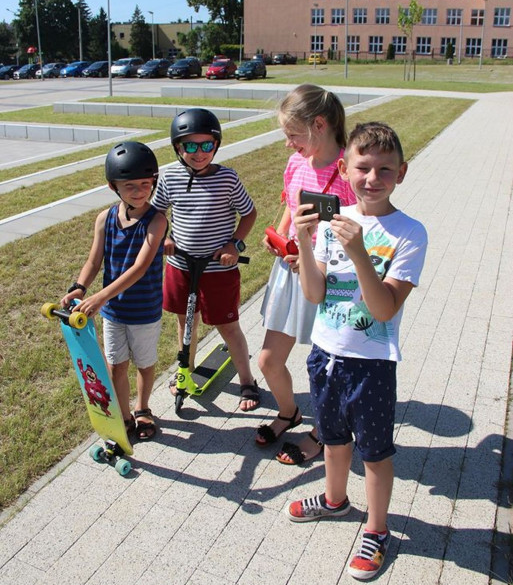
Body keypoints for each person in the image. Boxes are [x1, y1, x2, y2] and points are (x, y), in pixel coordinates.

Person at [287, 122, 428, 581]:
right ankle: (334, 500)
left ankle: (378, 528)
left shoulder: (410, 233)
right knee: (332, 439)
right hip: (325, 354)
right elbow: (314, 294)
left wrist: (360, 252)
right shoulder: (333, 222)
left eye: (385, 169)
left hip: (371, 365)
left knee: (374, 453)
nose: (372, 178)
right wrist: (304, 243)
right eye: (363, 167)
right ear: (345, 170)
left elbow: (384, 309)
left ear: (401, 173)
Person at [256, 84, 355, 463]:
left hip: (332, 280)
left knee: (329, 367)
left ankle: (324, 432)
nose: (288, 143)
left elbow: (359, 234)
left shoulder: (350, 170)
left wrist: (317, 261)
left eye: (293, 134)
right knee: (268, 360)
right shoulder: (297, 163)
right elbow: (291, 206)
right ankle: (289, 412)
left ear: (319, 125)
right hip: (290, 273)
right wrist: (280, 237)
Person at [152, 108, 260, 411]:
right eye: (190, 145)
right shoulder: (169, 176)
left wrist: (234, 244)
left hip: (218, 268)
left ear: (216, 145)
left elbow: (249, 213)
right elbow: (157, 213)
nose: (199, 153)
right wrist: (164, 238)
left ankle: (247, 380)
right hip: (181, 265)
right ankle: (184, 371)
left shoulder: (227, 178)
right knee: (186, 322)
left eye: (206, 145)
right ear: (178, 147)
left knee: (228, 326)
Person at [61, 141, 168, 440]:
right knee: (116, 365)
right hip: (113, 311)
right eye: (130, 185)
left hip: (144, 309)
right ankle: (123, 415)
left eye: (145, 184)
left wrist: (99, 297)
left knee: (144, 364)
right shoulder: (104, 219)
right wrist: (80, 288)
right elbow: (94, 260)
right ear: (113, 186)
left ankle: (142, 408)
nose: (139, 191)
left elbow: (140, 267)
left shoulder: (157, 220)